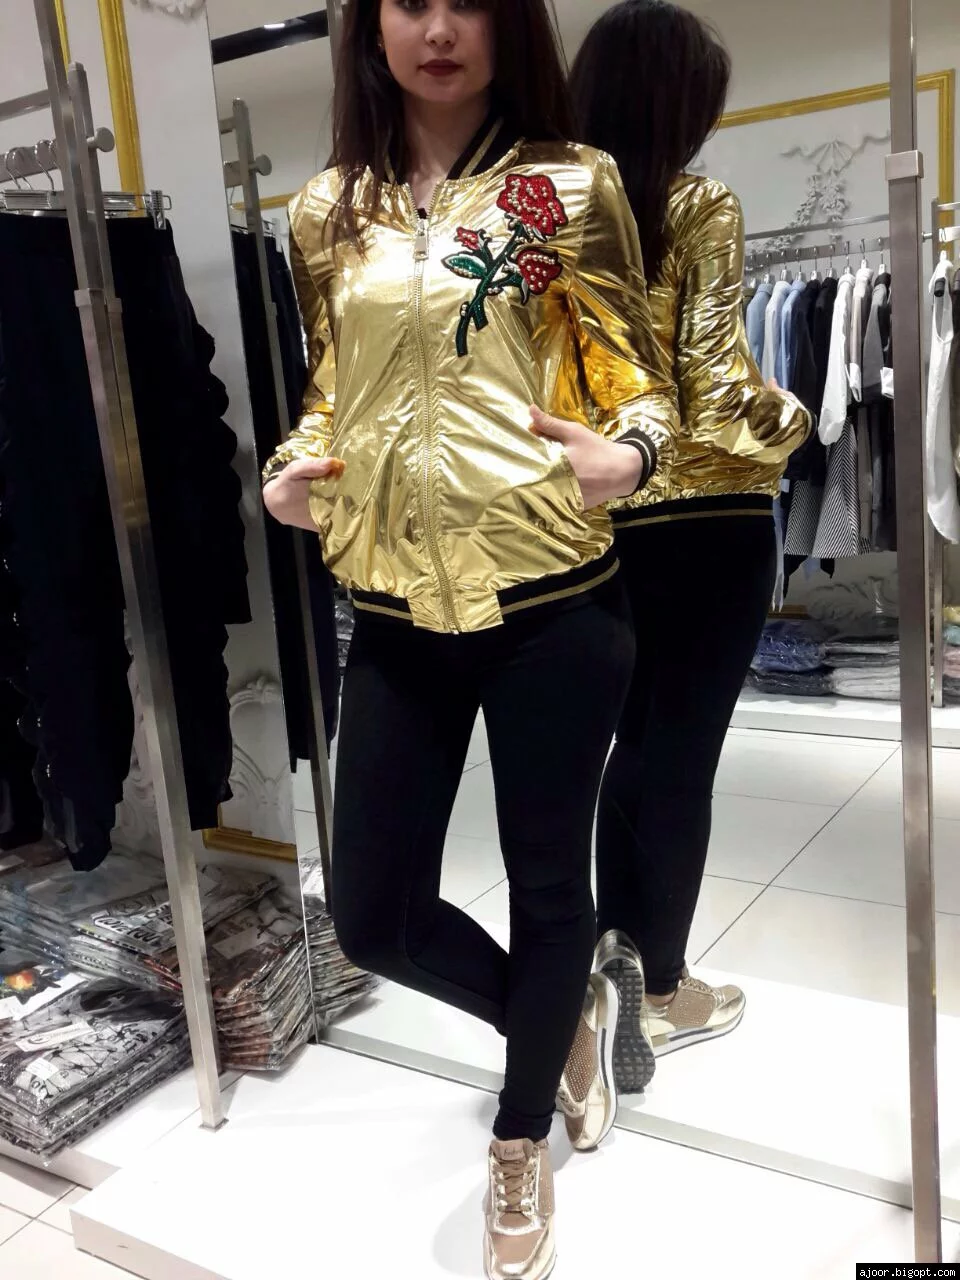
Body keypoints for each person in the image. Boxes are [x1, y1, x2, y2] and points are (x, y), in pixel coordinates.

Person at [261, 1, 679, 1275]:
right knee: (372, 916)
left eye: (469, 2)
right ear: (370, 25)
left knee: (549, 884)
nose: (438, 28)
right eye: (409, 1)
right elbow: (334, 385)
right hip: (395, 610)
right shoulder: (325, 210)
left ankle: (518, 1138)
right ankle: (557, 1022)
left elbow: (640, 376)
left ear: (510, 23)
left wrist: (632, 452)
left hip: (554, 604)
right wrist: (292, 465)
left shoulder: (570, 185)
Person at [570, 0, 811, 1090]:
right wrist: (794, 420)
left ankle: (614, 964)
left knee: (630, 751)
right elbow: (715, 391)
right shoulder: (696, 203)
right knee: (682, 760)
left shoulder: (553, 219)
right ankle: (663, 988)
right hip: (710, 522)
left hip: (604, 523)